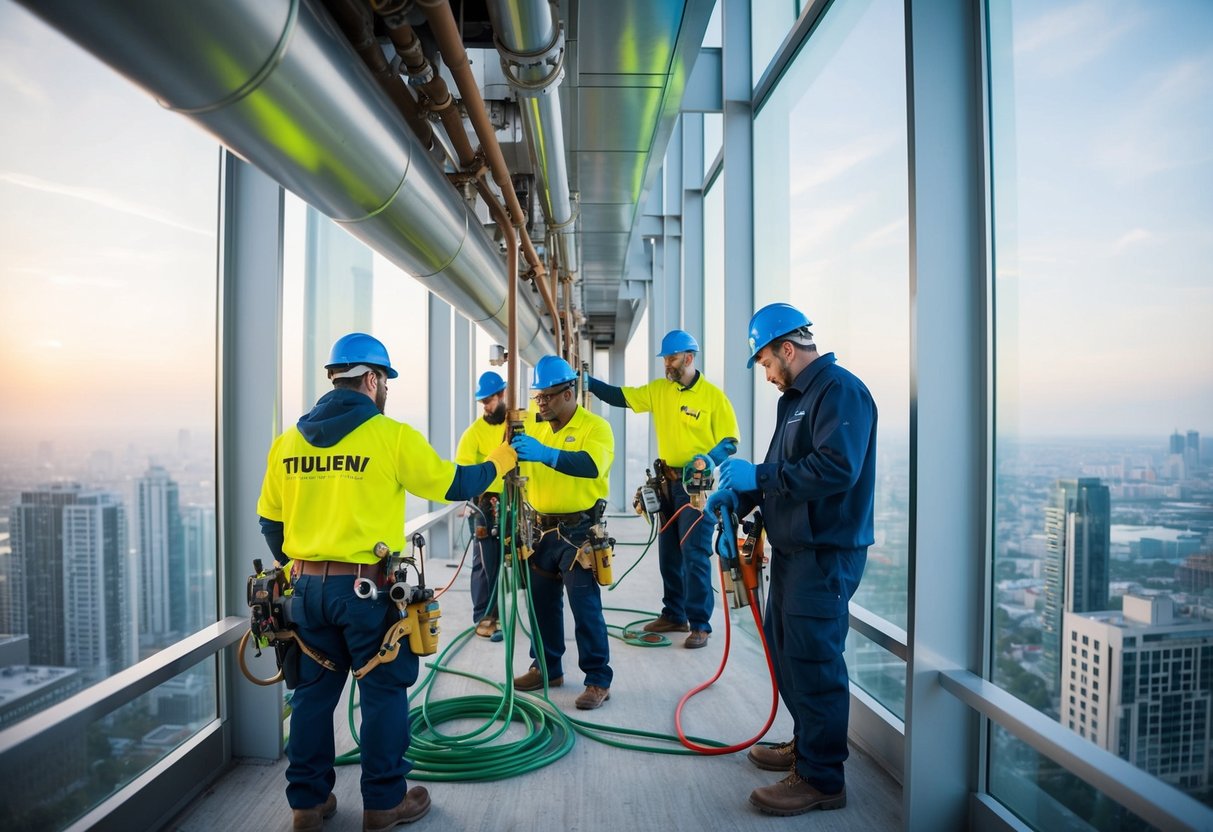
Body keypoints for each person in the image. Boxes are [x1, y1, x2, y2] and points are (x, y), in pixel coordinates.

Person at [256, 333, 516, 832]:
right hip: (365, 592)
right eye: (385, 382)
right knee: (382, 693)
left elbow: (271, 523)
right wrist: (501, 461)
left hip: (305, 591)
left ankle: (307, 805)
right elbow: (454, 484)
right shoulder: (390, 436)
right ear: (371, 380)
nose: (385, 392)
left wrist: (299, 567)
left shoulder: (286, 443)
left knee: (312, 695)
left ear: (335, 377)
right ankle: (382, 803)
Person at [706, 303, 877, 817]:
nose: (765, 371)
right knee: (789, 657)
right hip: (794, 552)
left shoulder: (839, 391)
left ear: (786, 347)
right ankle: (806, 749)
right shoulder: (797, 401)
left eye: (764, 361)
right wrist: (740, 499)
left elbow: (835, 468)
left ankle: (822, 779)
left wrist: (757, 477)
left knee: (815, 664)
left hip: (825, 555)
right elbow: (785, 473)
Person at [583, 329, 738, 648]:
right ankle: (674, 614)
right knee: (668, 550)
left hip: (695, 486)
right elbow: (620, 396)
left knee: (694, 553)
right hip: (666, 482)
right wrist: (588, 384)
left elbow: (730, 441)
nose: (666, 364)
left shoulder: (712, 397)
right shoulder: (659, 391)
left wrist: (709, 458)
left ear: (689, 358)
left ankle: (700, 624)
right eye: (665, 358)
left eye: (672, 358)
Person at [509, 355, 615, 710]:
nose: (541, 403)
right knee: (541, 606)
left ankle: (598, 679)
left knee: (584, 607)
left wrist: (546, 455)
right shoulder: (535, 426)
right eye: (538, 397)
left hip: (579, 529)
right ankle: (546, 667)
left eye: (548, 396)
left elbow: (589, 465)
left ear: (569, 392)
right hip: (540, 529)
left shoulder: (595, 427)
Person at [456, 370, 509, 640]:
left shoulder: (514, 425)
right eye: (483, 402)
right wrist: (468, 501)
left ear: (502, 395)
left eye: (489, 400)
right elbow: (464, 469)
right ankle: (486, 616)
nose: (486, 406)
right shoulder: (474, 433)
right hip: (485, 504)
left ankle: (503, 613)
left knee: (515, 558)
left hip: (513, 500)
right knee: (486, 561)